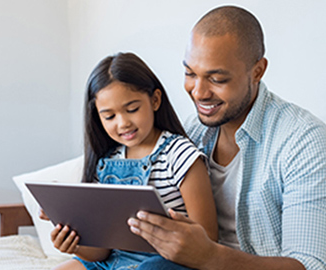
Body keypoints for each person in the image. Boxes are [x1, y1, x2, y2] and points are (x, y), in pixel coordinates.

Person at [127, 5, 326, 270]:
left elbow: (310, 265)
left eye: (217, 79)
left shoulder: (304, 141)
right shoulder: (192, 132)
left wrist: (210, 256)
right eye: (190, 74)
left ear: (257, 71)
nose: (198, 92)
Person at [47, 52, 218, 270]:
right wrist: (75, 244)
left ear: (155, 100)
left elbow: (208, 239)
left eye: (132, 109)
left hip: (166, 261)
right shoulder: (107, 161)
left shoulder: (180, 155)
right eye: (109, 116)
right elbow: (102, 250)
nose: (123, 123)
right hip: (114, 262)